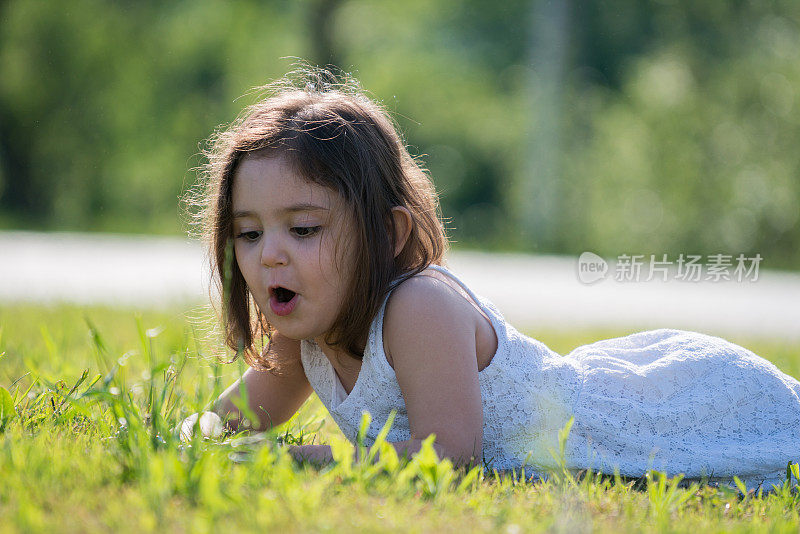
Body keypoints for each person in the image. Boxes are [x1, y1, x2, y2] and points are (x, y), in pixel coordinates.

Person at [188, 66, 800, 488]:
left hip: (651, 417)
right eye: (248, 233)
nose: (269, 255)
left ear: (388, 234)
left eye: (303, 229)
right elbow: (225, 425)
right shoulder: (302, 337)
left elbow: (450, 456)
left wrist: (298, 459)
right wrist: (190, 435)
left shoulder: (418, 307)